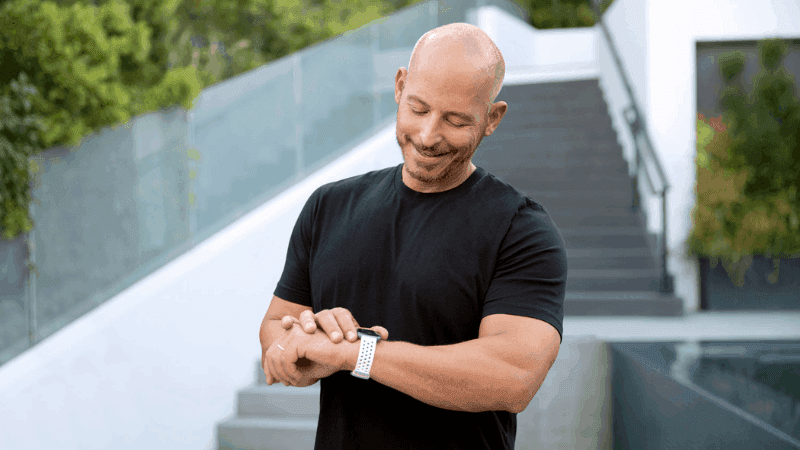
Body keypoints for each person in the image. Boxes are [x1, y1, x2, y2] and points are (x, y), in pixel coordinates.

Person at [258, 22, 567, 450]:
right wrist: (300, 351)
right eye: (419, 109)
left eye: (456, 120)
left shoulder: (521, 230)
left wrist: (357, 354)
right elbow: (277, 325)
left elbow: (513, 375)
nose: (428, 136)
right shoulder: (328, 206)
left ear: (492, 118)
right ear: (401, 86)